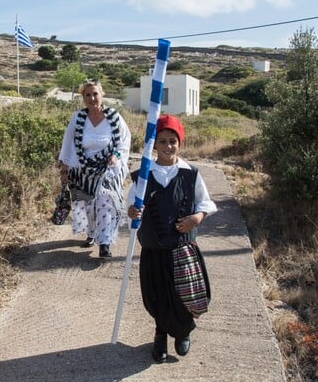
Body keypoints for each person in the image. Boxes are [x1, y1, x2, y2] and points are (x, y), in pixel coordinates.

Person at [126, 114, 217, 363]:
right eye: (162, 141)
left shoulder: (191, 174)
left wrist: (196, 218)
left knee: (182, 295)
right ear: (154, 144)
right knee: (156, 296)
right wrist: (133, 211)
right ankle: (160, 336)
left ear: (180, 143)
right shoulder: (142, 176)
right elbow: (130, 206)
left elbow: (205, 203)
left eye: (172, 141)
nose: (168, 146)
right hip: (154, 250)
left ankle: (183, 332)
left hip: (182, 248)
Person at [58, 79, 131, 258]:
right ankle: (91, 233)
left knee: (106, 203)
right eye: (87, 95)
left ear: (102, 95)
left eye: (95, 94)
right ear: (83, 98)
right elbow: (68, 144)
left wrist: (116, 156)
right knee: (88, 207)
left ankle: (104, 243)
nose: (92, 98)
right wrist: (64, 169)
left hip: (108, 171)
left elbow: (124, 142)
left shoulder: (114, 117)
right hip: (83, 171)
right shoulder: (78, 118)